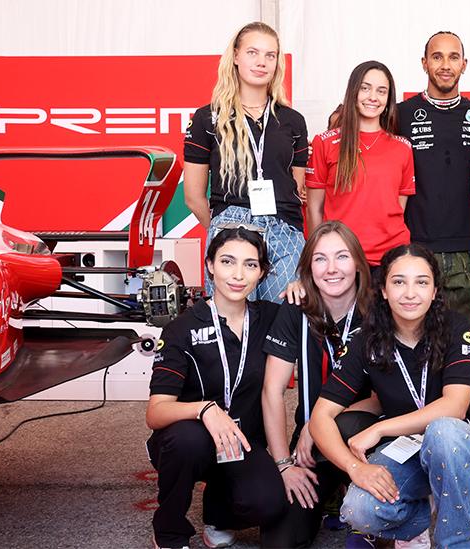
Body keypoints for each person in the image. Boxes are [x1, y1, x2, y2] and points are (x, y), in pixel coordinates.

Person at [310, 244, 470, 548]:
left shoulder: (455, 327)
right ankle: (419, 513)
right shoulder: (367, 339)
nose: (410, 293)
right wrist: (357, 468)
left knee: (443, 431)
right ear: (383, 290)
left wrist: (379, 428)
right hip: (406, 450)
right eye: (399, 282)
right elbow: (320, 417)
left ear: (435, 291)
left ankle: (457, 543)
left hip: (459, 444)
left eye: (421, 282)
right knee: (358, 510)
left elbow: (455, 407)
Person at [145, 226, 286, 549]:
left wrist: (300, 289)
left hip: (242, 443)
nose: (238, 275)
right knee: (187, 441)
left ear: (262, 272)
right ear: (210, 265)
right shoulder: (182, 328)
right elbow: (155, 412)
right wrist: (205, 409)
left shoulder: (271, 318)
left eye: (250, 265)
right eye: (227, 262)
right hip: (190, 441)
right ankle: (168, 532)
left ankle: (218, 516)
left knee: (270, 503)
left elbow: (319, 307)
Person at [261, 221, 380, 547]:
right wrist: (284, 465)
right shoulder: (294, 309)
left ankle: (362, 510)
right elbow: (272, 391)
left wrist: (318, 424)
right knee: (281, 540)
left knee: (348, 426)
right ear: (307, 268)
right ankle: (334, 492)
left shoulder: (379, 310)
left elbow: (392, 395)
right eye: (320, 259)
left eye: (342, 257)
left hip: (370, 436)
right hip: (313, 444)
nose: (331, 269)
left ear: (358, 262)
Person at [183, 22, 308, 302]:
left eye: (270, 55)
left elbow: (297, 186)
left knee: (280, 327)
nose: (261, 62)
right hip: (231, 225)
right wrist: (222, 229)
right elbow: (193, 196)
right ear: (236, 56)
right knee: (231, 326)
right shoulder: (206, 118)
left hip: (284, 232)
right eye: (253, 52)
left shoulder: (293, 120)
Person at [396, 31, 470, 344]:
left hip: (467, 254)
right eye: (437, 57)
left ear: (464, 64)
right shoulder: (400, 116)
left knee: (463, 350)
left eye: (453, 57)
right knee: (414, 346)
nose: (445, 64)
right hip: (415, 247)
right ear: (424, 63)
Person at [306, 61, 415, 267]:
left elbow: (397, 208)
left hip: (392, 259)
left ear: (389, 99)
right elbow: (314, 209)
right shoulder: (325, 142)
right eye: (365, 88)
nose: (373, 97)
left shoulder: (403, 148)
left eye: (381, 91)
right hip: (342, 259)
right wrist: (317, 257)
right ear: (353, 91)